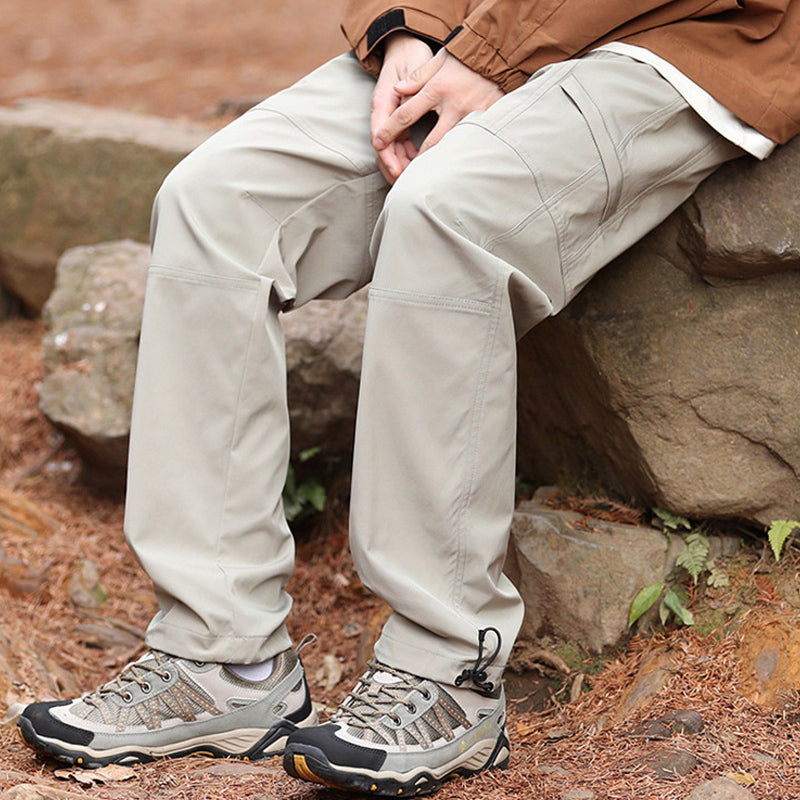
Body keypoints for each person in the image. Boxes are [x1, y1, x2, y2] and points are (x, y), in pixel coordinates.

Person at [17, 0, 800, 796]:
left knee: (443, 212)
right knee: (215, 199)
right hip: (478, 25)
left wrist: (489, 51)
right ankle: (221, 658)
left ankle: (448, 671)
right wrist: (405, 25)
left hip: (685, 35)